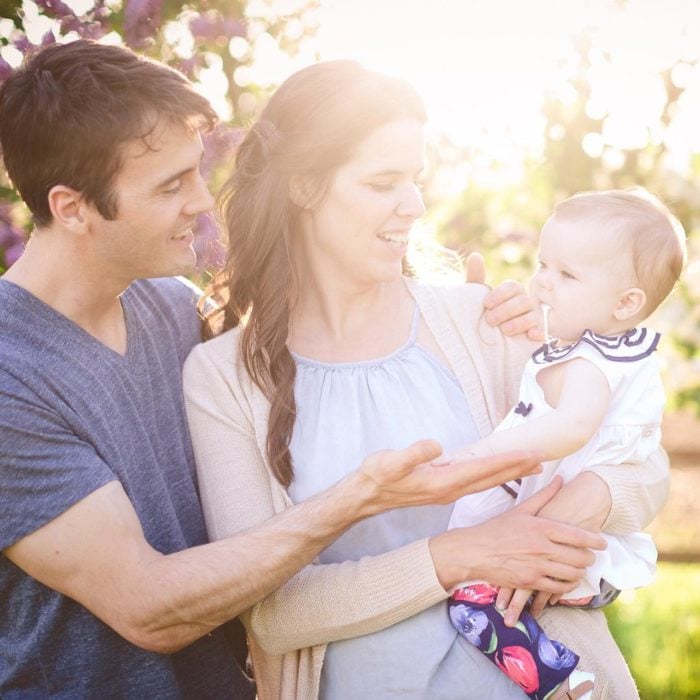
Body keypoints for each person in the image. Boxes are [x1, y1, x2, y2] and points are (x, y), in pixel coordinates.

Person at [0, 40, 589, 697]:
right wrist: (362, 498)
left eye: (195, 171)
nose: (201, 201)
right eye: (170, 186)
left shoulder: (170, 311)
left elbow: (312, 331)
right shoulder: (11, 375)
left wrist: (489, 316)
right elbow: (147, 606)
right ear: (72, 207)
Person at [183, 59, 670, 699]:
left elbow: (642, 463)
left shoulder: (483, 322)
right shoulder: (223, 377)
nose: (415, 205)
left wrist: (591, 498)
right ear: (303, 187)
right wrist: (461, 557)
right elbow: (275, 615)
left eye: (416, 179)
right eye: (385, 181)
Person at [445, 189, 686, 700]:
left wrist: (476, 456)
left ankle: (561, 681)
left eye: (566, 275)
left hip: (575, 549)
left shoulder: (591, 364)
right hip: (581, 542)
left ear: (626, 302)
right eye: (543, 265)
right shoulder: (606, 352)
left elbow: (572, 427)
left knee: (471, 605)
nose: (542, 283)